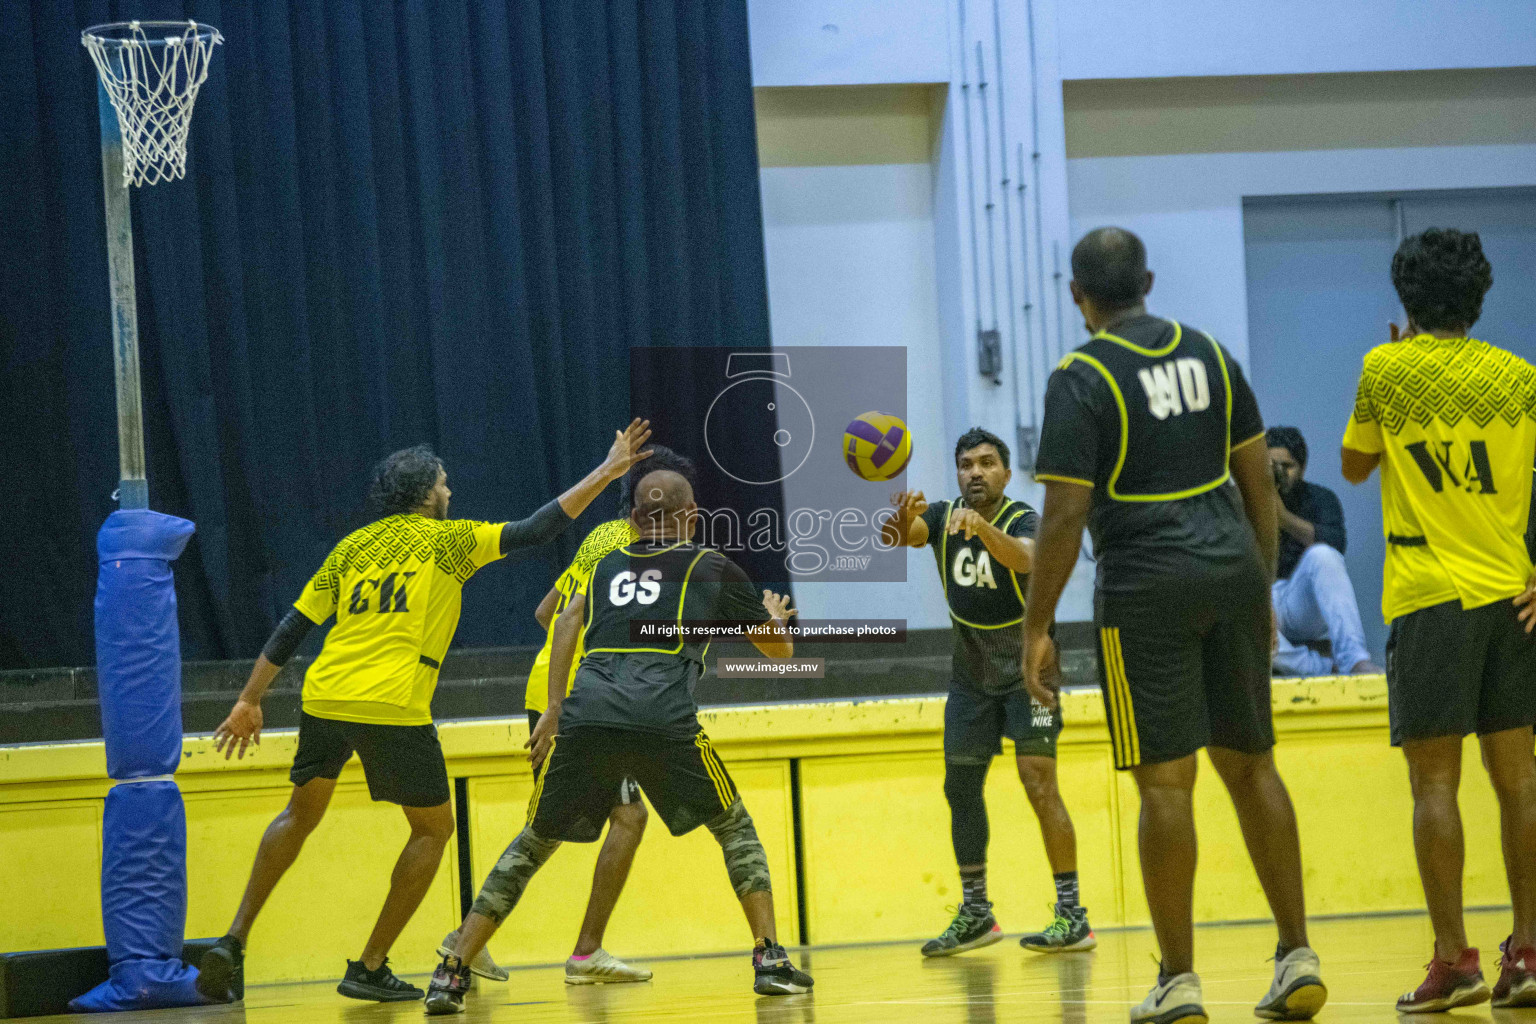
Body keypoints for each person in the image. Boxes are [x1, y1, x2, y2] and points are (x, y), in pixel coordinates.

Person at [192, 422, 653, 1004]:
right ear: (427, 495)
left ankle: (233, 941)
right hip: (392, 704)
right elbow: (539, 528)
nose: (451, 494)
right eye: (445, 485)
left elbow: (294, 627)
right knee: (434, 829)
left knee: (299, 815)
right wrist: (608, 471)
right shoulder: (447, 542)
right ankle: (370, 963)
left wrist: (249, 699)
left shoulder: (352, 546)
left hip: (325, 696)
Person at [1022, 227, 1326, 1023]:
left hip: (1145, 587)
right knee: (1253, 766)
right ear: (1148, 280)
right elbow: (1255, 478)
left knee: (1166, 784)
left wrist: (1035, 628)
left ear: (1076, 295)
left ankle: (1180, 980)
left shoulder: (1080, 376)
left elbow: (1063, 518)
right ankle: (1297, 955)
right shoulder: (1213, 355)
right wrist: (1260, 584)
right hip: (1231, 569)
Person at [424, 469, 813, 1014]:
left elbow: (561, 621)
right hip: (663, 717)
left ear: (633, 520)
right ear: (693, 516)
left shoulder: (606, 565)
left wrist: (555, 707)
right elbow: (781, 654)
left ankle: (451, 970)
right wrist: (771, 618)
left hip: (588, 717)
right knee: (733, 827)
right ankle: (769, 957)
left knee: (534, 843)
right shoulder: (714, 567)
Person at [1341, 227, 1536, 1012]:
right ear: (1481, 294)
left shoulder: (1385, 369)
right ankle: (1527, 955)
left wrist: (1401, 377)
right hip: (1513, 600)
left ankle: (1455, 961)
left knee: (1434, 783)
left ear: (1407, 302)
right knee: (1519, 779)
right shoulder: (1521, 378)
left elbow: (1354, 466)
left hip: (1429, 599)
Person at [479, 445, 699, 986]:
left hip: (580, 698)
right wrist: (561, 704)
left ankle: (474, 942)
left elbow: (545, 610)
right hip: (583, 703)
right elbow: (565, 619)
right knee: (612, 820)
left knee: (559, 826)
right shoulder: (640, 551)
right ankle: (564, 951)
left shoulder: (610, 542)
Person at [885, 428, 1095, 958]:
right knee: (959, 788)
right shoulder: (943, 515)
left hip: (1031, 672)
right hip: (972, 675)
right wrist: (896, 516)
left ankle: (1073, 916)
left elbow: (1028, 559)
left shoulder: (1022, 517)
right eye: (965, 464)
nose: (974, 472)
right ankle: (977, 912)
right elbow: (900, 536)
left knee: (1038, 782)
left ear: (1005, 472)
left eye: (985, 463)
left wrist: (981, 529)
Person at [1265, 425, 1380, 676]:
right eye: (1271, 465)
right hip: (1265, 602)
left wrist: (1283, 518)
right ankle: (1323, 668)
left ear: (1303, 468)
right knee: (1239, 598)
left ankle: (1354, 660)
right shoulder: (1245, 500)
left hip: (1302, 602)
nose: (1278, 473)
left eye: (1287, 466)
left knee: (1323, 555)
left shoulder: (1320, 498)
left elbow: (1335, 545)